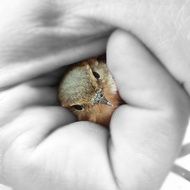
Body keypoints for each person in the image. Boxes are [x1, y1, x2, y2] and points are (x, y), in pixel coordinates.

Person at [0, 0, 189, 190]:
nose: (100, 98)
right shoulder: (89, 124)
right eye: (80, 107)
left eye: (97, 76)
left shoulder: (116, 60)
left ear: (94, 63)